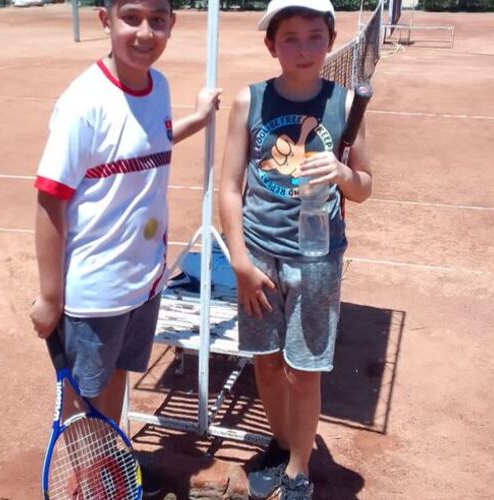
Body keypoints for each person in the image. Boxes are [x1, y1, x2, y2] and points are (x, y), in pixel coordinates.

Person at [29, 0, 220, 496]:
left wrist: (199, 119)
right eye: (131, 17)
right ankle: (90, 486)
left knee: (113, 387)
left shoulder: (160, 87)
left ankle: (103, 476)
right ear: (105, 21)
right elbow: (50, 199)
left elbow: (151, 141)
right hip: (95, 290)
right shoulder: (83, 103)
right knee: (84, 404)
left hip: (144, 279)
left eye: (158, 19)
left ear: (172, 24)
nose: (144, 32)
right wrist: (50, 296)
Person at [218, 0, 373, 498]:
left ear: (330, 42)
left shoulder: (344, 105)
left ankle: (298, 470)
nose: (303, 48)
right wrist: (239, 260)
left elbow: (364, 187)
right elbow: (229, 187)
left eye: (314, 37)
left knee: (304, 371)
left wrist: (343, 173)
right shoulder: (249, 101)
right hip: (259, 256)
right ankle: (282, 445)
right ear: (271, 45)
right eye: (290, 38)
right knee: (266, 362)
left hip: (317, 260)